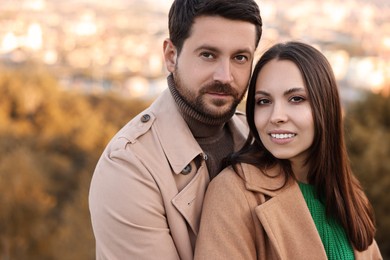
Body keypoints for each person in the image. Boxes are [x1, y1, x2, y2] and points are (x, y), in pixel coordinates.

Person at [88, 0, 262, 259]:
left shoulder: (258, 139)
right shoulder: (128, 167)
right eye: (208, 55)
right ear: (171, 56)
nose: (225, 76)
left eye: (239, 58)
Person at [194, 41, 383, 260]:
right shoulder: (233, 192)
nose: (276, 116)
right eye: (263, 101)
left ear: (326, 106)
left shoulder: (349, 194)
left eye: (296, 99)